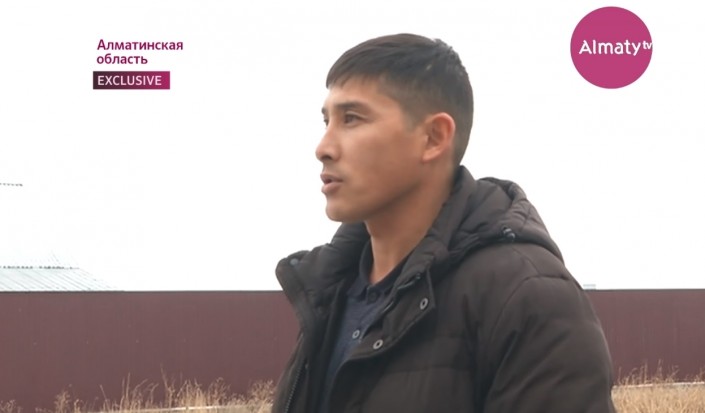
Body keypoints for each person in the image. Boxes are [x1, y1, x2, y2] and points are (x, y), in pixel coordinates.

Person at [272, 33, 616, 413]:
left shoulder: (528, 299)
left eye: (351, 119)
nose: (323, 147)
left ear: (434, 137)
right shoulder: (331, 293)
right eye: (327, 121)